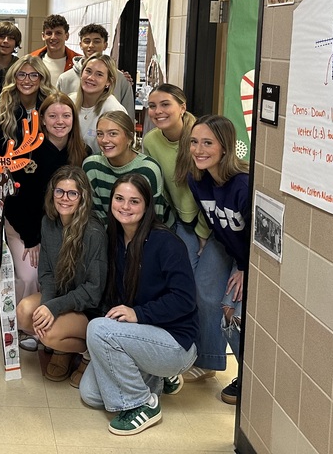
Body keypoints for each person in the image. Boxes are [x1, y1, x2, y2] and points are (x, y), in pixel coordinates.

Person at [79, 173, 199, 436]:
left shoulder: (166, 242)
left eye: (134, 201)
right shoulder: (114, 239)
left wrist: (138, 313)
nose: (125, 206)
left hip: (175, 342)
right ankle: (156, 377)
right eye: (119, 198)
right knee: (91, 395)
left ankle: (143, 404)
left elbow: (185, 300)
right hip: (141, 339)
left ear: (147, 206)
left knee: (99, 329)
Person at [142, 84, 221, 385]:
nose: (158, 111)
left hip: (215, 226)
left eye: (165, 105)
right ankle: (182, 350)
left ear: (182, 107)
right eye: (152, 106)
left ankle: (209, 359)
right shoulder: (151, 140)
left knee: (207, 292)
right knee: (180, 286)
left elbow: (211, 189)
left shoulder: (199, 138)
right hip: (181, 224)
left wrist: (202, 234)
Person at [17, 166, 106, 384]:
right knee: (24, 312)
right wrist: (47, 305)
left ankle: (89, 354)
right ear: (52, 193)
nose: (64, 198)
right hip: (60, 297)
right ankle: (63, 350)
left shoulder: (94, 232)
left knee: (48, 333)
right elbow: (46, 272)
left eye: (72, 193)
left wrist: (53, 309)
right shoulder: (49, 222)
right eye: (59, 191)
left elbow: (93, 291)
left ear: (82, 197)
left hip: (89, 310)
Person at [185, 114, 251, 405]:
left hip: (248, 254)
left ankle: (248, 376)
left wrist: (244, 268)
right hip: (224, 244)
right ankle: (209, 359)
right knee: (202, 289)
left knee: (230, 308)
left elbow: (257, 238)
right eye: (194, 142)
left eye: (207, 143)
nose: (199, 149)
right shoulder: (196, 179)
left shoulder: (244, 186)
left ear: (224, 147)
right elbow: (216, 222)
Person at [0, 55, 56, 303]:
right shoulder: (1, 106)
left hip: (48, 199)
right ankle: (23, 323)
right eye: (22, 75)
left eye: (33, 74)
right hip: (14, 199)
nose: (27, 80)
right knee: (27, 274)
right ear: (14, 78)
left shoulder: (51, 107)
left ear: (42, 78)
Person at [83, 110, 166, 227]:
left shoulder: (148, 169)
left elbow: (155, 218)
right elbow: (97, 214)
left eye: (113, 134)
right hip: (109, 234)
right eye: (100, 134)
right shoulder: (91, 166)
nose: (104, 140)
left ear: (129, 138)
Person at [56, 24, 136, 119]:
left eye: (97, 41)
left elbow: (128, 118)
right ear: (80, 45)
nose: (91, 45)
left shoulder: (121, 79)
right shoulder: (65, 79)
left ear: (105, 45)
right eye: (86, 41)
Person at [72, 53, 125, 154]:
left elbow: (122, 149)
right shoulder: (70, 102)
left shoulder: (113, 109)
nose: (91, 78)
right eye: (88, 71)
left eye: (99, 74)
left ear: (109, 81)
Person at [30, 14, 79, 85]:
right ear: (43, 36)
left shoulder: (78, 62)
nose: (53, 37)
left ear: (66, 36)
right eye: (49, 33)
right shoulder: (32, 60)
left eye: (58, 33)